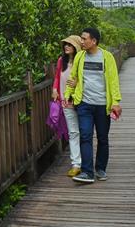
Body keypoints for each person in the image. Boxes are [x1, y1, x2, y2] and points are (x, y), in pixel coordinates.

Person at [64, 26, 122, 184]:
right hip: (84, 104)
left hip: (103, 105)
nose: (81, 41)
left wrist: (116, 102)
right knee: (85, 135)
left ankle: (101, 168)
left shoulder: (107, 57)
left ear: (94, 41)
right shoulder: (80, 57)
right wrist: (68, 95)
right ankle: (87, 172)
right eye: (81, 39)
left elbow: (113, 80)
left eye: (84, 39)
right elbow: (73, 77)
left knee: (102, 138)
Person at [51, 35, 84, 177]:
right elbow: (58, 77)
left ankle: (86, 161)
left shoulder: (81, 61)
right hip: (65, 101)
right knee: (73, 133)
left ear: (76, 47)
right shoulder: (61, 61)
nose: (66, 47)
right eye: (65, 44)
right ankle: (76, 164)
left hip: (81, 101)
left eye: (69, 45)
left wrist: (77, 84)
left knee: (85, 132)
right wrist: (54, 89)